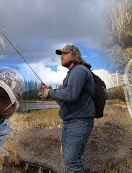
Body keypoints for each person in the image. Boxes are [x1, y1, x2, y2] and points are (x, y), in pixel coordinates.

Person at [42, 44, 95, 172]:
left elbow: (71, 94)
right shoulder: (72, 73)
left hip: (78, 122)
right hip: (72, 122)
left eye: (65, 53)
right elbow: (67, 99)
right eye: (61, 54)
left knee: (72, 163)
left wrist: (50, 93)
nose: (62, 56)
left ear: (75, 55)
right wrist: (52, 93)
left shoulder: (79, 71)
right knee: (70, 161)